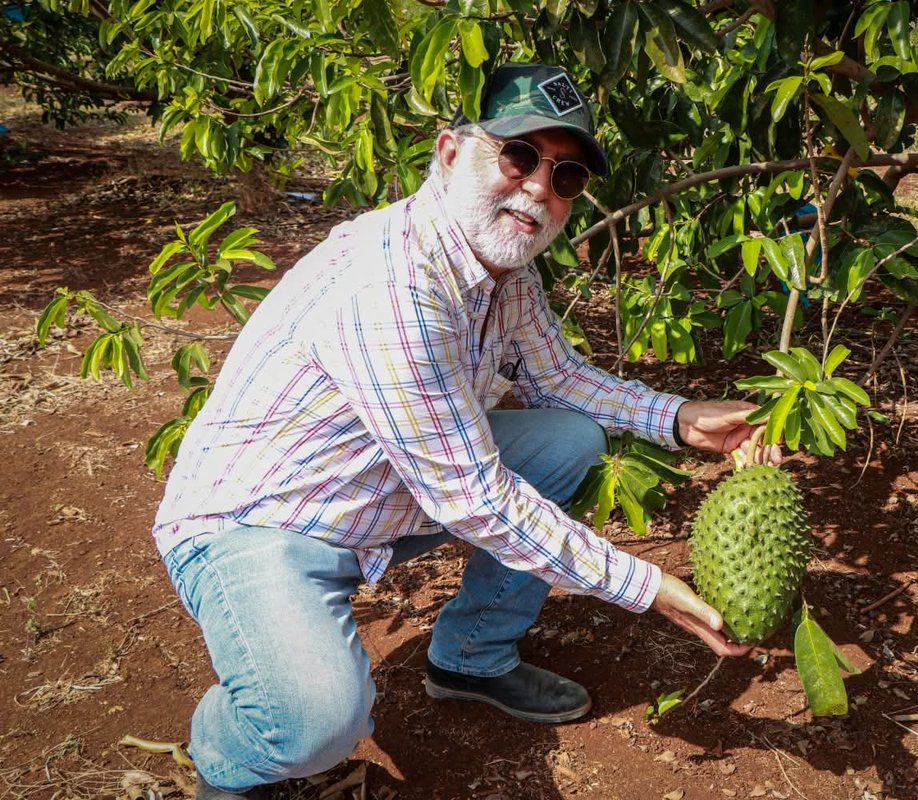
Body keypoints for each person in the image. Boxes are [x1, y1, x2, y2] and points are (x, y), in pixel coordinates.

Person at [154, 62, 776, 800]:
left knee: (570, 440)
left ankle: (471, 659)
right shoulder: (392, 287)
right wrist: (653, 588)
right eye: (519, 156)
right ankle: (231, 761)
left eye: (567, 175)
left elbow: (560, 379)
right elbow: (475, 498)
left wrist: (678, 418)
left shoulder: (503, 274)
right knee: (316, 722)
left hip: (381, 491)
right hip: (262, 524)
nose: (540, 187)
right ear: (451, 152)